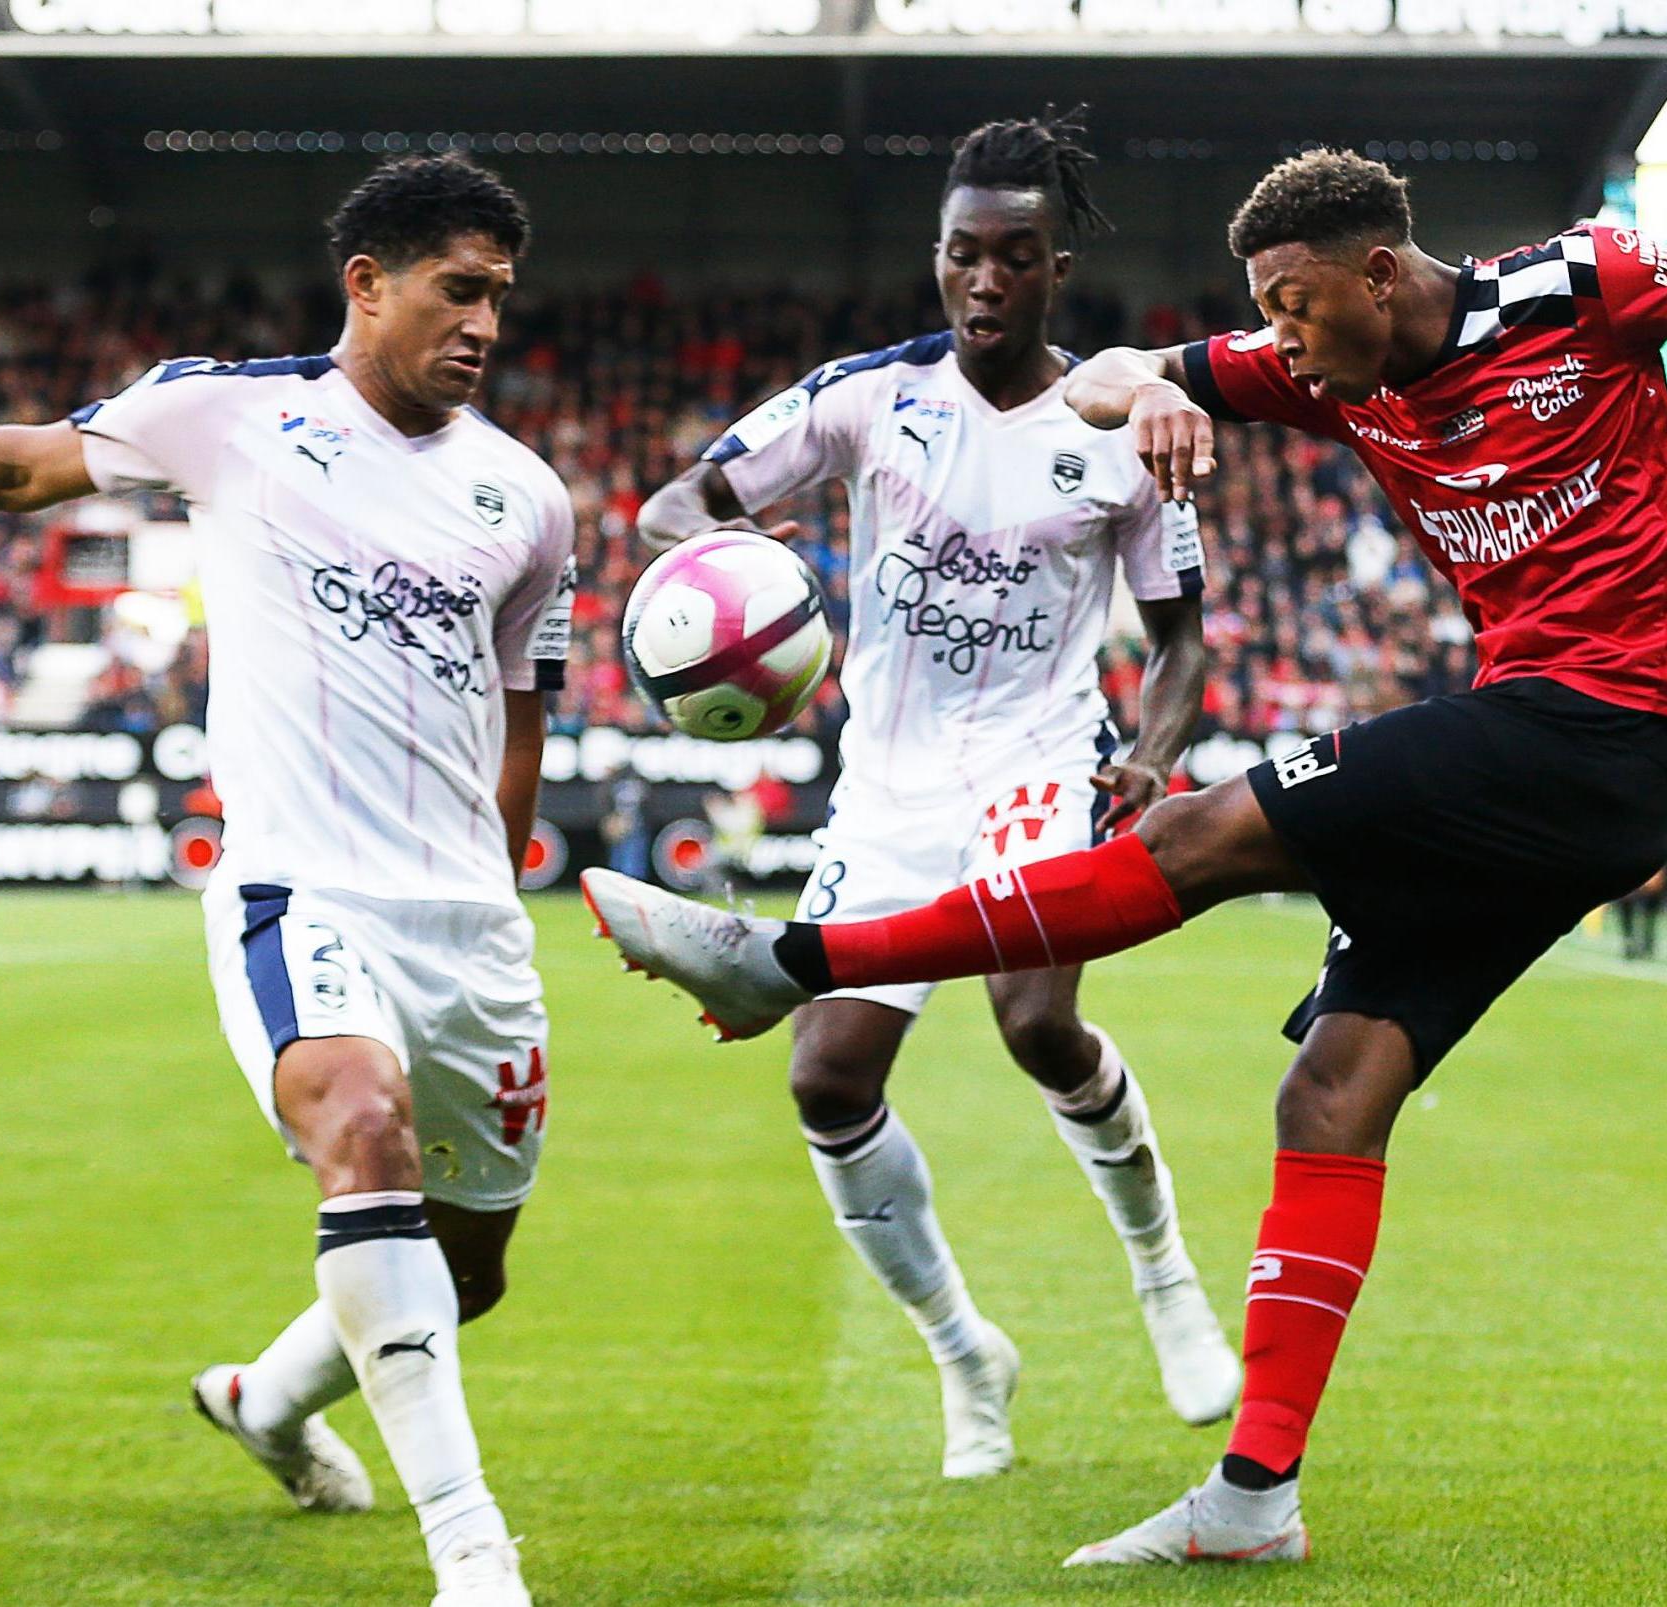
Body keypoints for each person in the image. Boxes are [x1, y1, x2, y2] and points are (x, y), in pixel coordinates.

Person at [580, 148, 1667, 1567]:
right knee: (1331, 1086)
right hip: (1536, 762)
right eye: (1263, 311)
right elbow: (1099, 377)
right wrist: (1141, 397)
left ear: (1377, 268)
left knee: (1195, 832)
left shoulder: (1579, 285)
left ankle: (788, 959)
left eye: (1295, 303)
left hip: (1601, 727)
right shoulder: (1303, 361)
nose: (1279, 338)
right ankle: (1251, 1492)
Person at [0, 156, 572, 1607]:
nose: (484, 324)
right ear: (368, 283)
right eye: (457, 290)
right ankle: (473, 1554)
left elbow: (519, 723)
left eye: (499, 297)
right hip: (303, 886)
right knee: (361, 1126)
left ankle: (266, 1399)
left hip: (467, 923)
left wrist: (494, 898)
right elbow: (16, 466)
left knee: (469, 1269)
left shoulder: (528, 497)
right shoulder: (231, 413)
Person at [622, 109, 1237, 1480]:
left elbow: (1182, 635)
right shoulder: (862, 396)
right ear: (938, 256)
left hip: (1037, 766)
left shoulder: (1122, 429)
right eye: (962, 255)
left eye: (1013, 258)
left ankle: (1162, 1274)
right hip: (887, 792)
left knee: (1034, 1021)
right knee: (826, 1072)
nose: (982, 283)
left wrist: (1147, 750)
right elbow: (676, 501)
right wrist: (737, 557)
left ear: (1054, 268)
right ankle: (966, 1351)